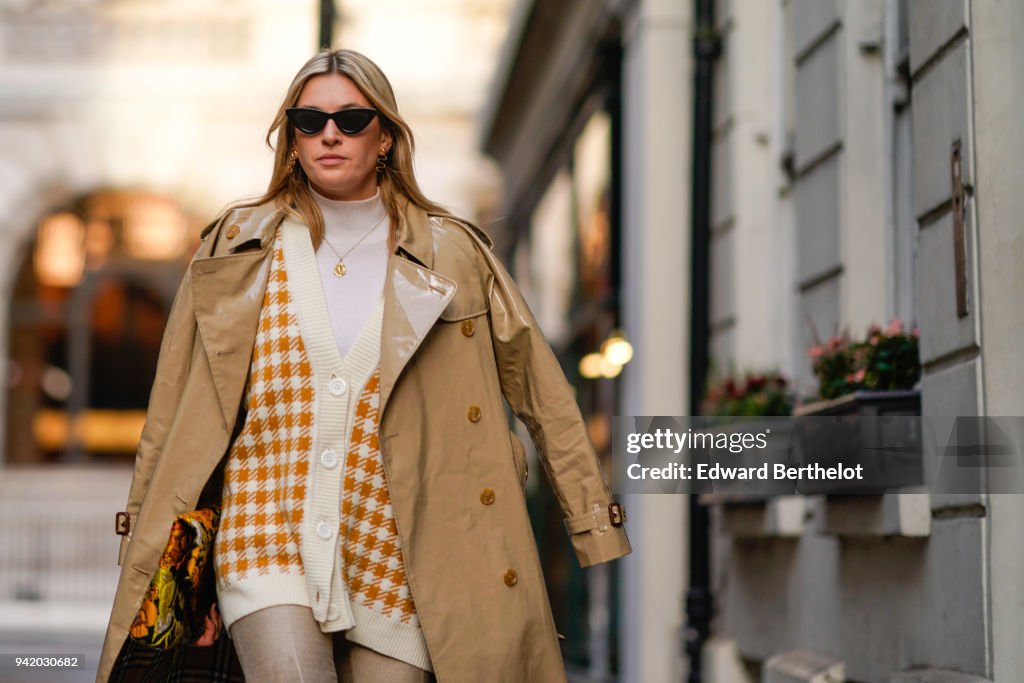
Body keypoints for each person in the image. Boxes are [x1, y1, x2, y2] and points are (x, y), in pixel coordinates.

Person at [97, 48, 632, 683]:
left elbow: (543, 391)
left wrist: (592, 518)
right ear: (291, 138)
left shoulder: (452, 253)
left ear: (384, 137)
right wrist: (150, 540)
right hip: (264, 537)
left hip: (398, 546)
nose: (329, 133)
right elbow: (173, 405)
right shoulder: (234, 247)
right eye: (309, 119)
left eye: (351, 119)